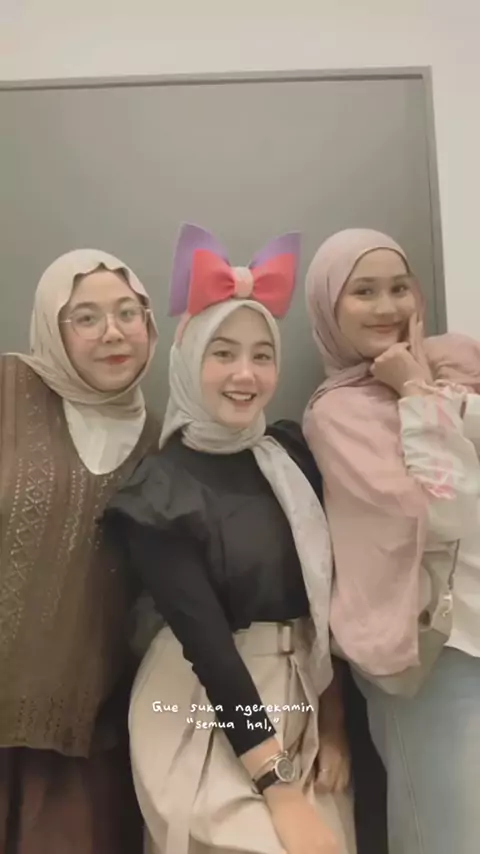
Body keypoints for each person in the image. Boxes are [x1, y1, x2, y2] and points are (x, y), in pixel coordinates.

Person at [103, 224, 357, 854]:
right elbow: (210, 649)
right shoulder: (159, 492)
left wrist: (335, 725)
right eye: (223, 353)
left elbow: (327, 602)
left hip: (302, 699)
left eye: (261, 355)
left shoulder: (292, 456)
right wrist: (278, 787)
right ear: (190, 360)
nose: (245, 374)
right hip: (201, 708)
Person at [302, 228, 480, 854]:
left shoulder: (457, 367)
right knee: (449, 836)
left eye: (399, 288)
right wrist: (415, 392)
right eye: (364, 292)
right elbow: (445, 510)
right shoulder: (339, 414)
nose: (387, 307)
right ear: (330, 307)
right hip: (430, 652)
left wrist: (428, 385)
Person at [0, 249, 160, 854]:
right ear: (53, 327)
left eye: (127, 313)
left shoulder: (163, 444)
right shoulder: (8, 390)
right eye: (86, 317)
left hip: (82, 737)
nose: (112, 332)